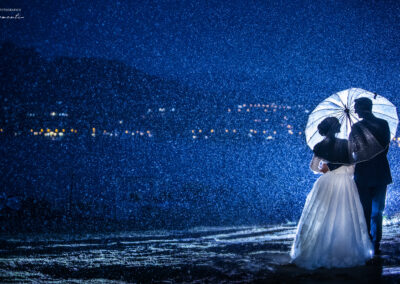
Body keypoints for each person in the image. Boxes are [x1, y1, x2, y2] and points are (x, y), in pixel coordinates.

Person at [290, 117, 373, 270]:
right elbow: (352, 169)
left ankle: (320, 248)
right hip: (346, 184)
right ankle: (345, 249)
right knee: (346, 214)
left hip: (327, 182)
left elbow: (314, 167)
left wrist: (324, 168)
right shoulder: (346, 144)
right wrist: (342, 169)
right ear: (337, 128)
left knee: (322, 214)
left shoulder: (320, 145)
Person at [350, 97, 392, 255]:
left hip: (363, 173)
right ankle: (376, 242)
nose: (355, 111)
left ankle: (367, 240)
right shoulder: (383, 124)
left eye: (356, 108)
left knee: (365, 209)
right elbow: (385, 147)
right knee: (378, 210)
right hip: (380, 171)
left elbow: (353, 150)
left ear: (362, 108)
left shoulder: (357, 127)